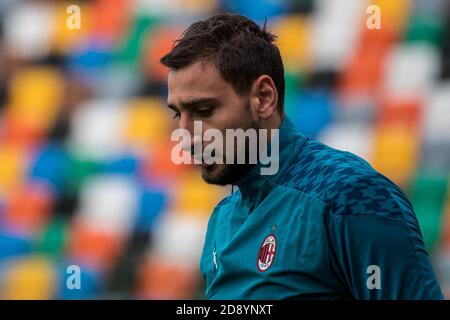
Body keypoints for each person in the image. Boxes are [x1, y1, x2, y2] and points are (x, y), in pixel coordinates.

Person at [160, 12, 444, 299]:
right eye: (177, 114)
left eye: (204, 111)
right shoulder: (222, 219)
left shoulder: (350, 194)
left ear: (264, 97)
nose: (185, 135)